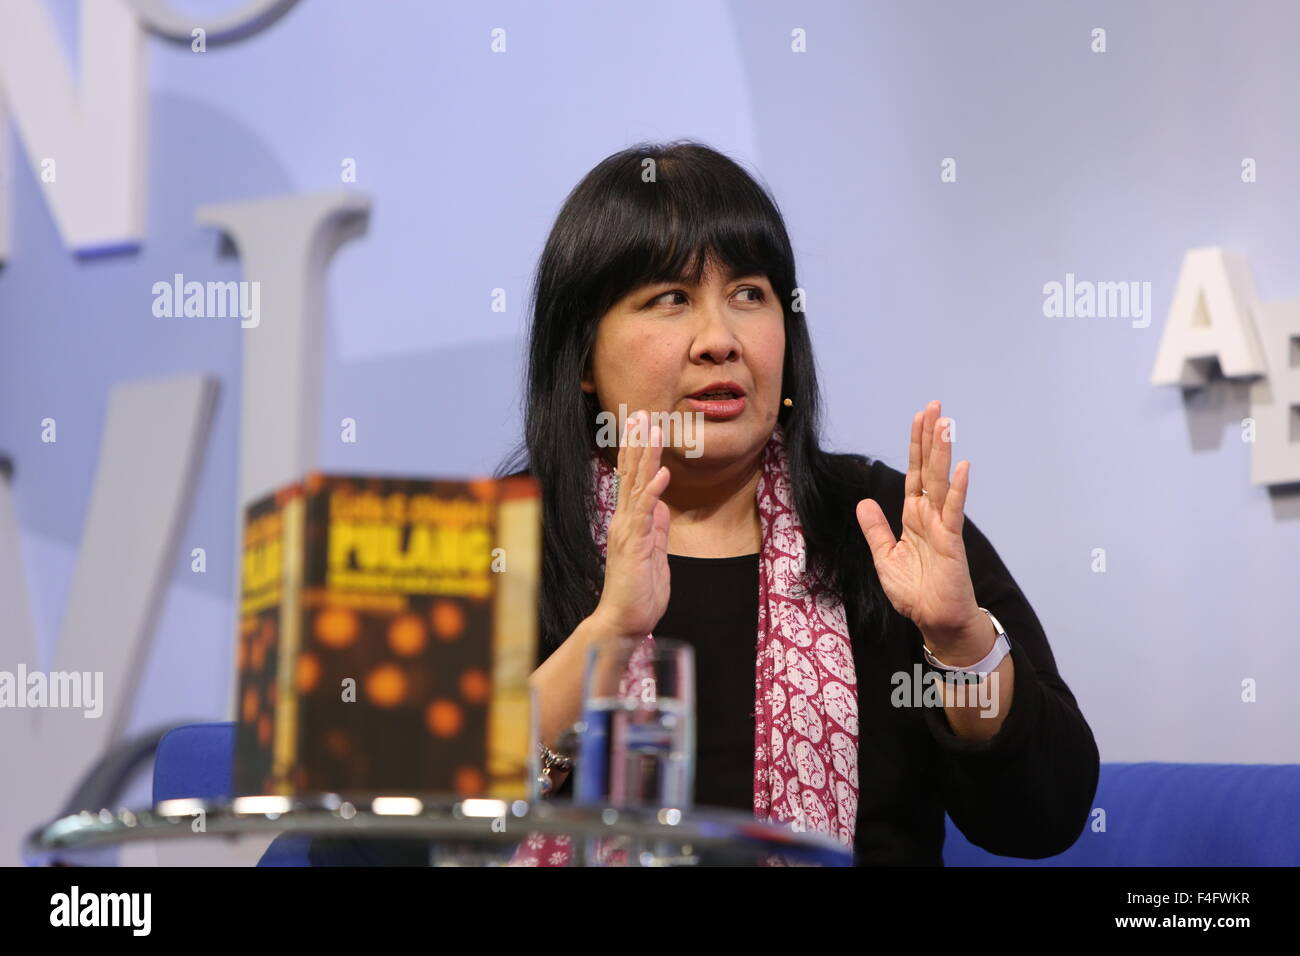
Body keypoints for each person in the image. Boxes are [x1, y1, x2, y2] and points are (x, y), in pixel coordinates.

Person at [497, 139, 1100, 867]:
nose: (719, 340)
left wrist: (959, 644)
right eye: (670, 299)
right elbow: (388, 836)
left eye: (749, 294)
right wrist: (611, 630)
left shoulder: (883, 525)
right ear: (583, 356)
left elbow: (1044, 817)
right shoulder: (502, 537)